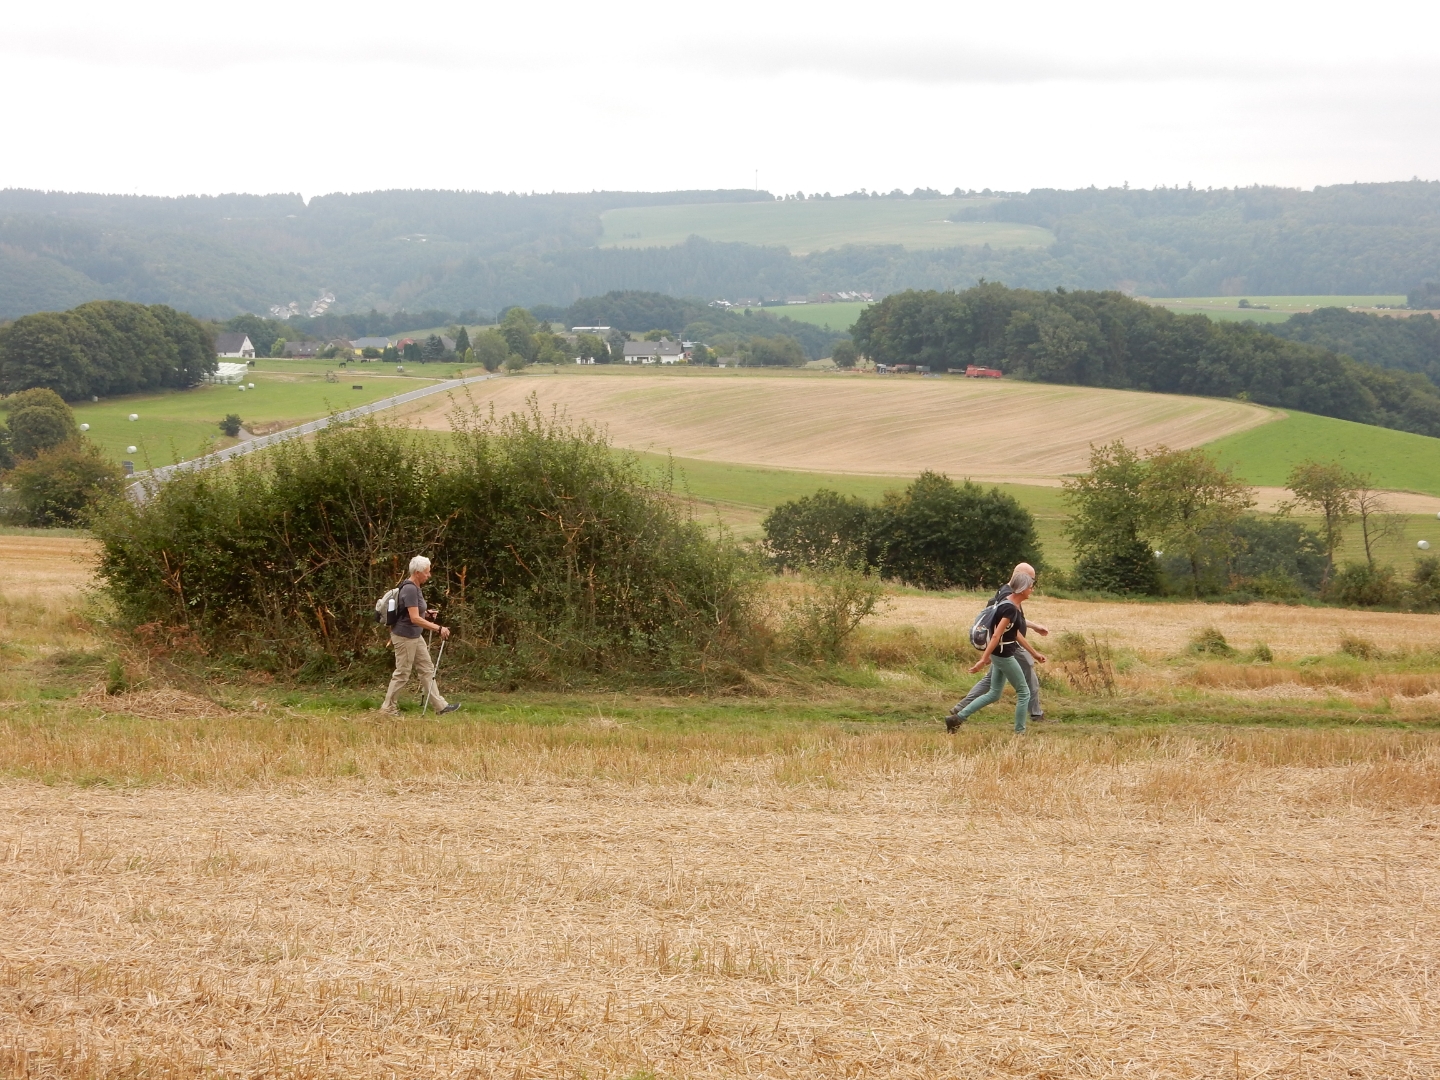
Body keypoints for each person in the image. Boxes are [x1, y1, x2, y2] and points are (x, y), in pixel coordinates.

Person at [946, 562, 1050, 728]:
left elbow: (1011, 626)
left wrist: (1034, 632)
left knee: (993, 691)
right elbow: (999, 633)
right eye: (1031, 582)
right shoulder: (1009, 603)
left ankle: (958, 715)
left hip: (1002, 650)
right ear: (1022, 582)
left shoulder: (1008, 598)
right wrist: (984, 658)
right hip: (1006, 650)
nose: (1032, 587)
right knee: (1024, 691)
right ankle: (1025, 727)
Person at [380, 555, 460, 716]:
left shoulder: (415, 587)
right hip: (404, 637)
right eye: (426, 572)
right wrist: (438, 628)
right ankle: (387, 709)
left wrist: (427, 613)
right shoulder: (410, 589)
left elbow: (413, 612)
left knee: (427, 669)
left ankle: (440, 706)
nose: (429, 575)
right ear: (417, 572)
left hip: (415, 635)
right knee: (402, 673)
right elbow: (414, 618)